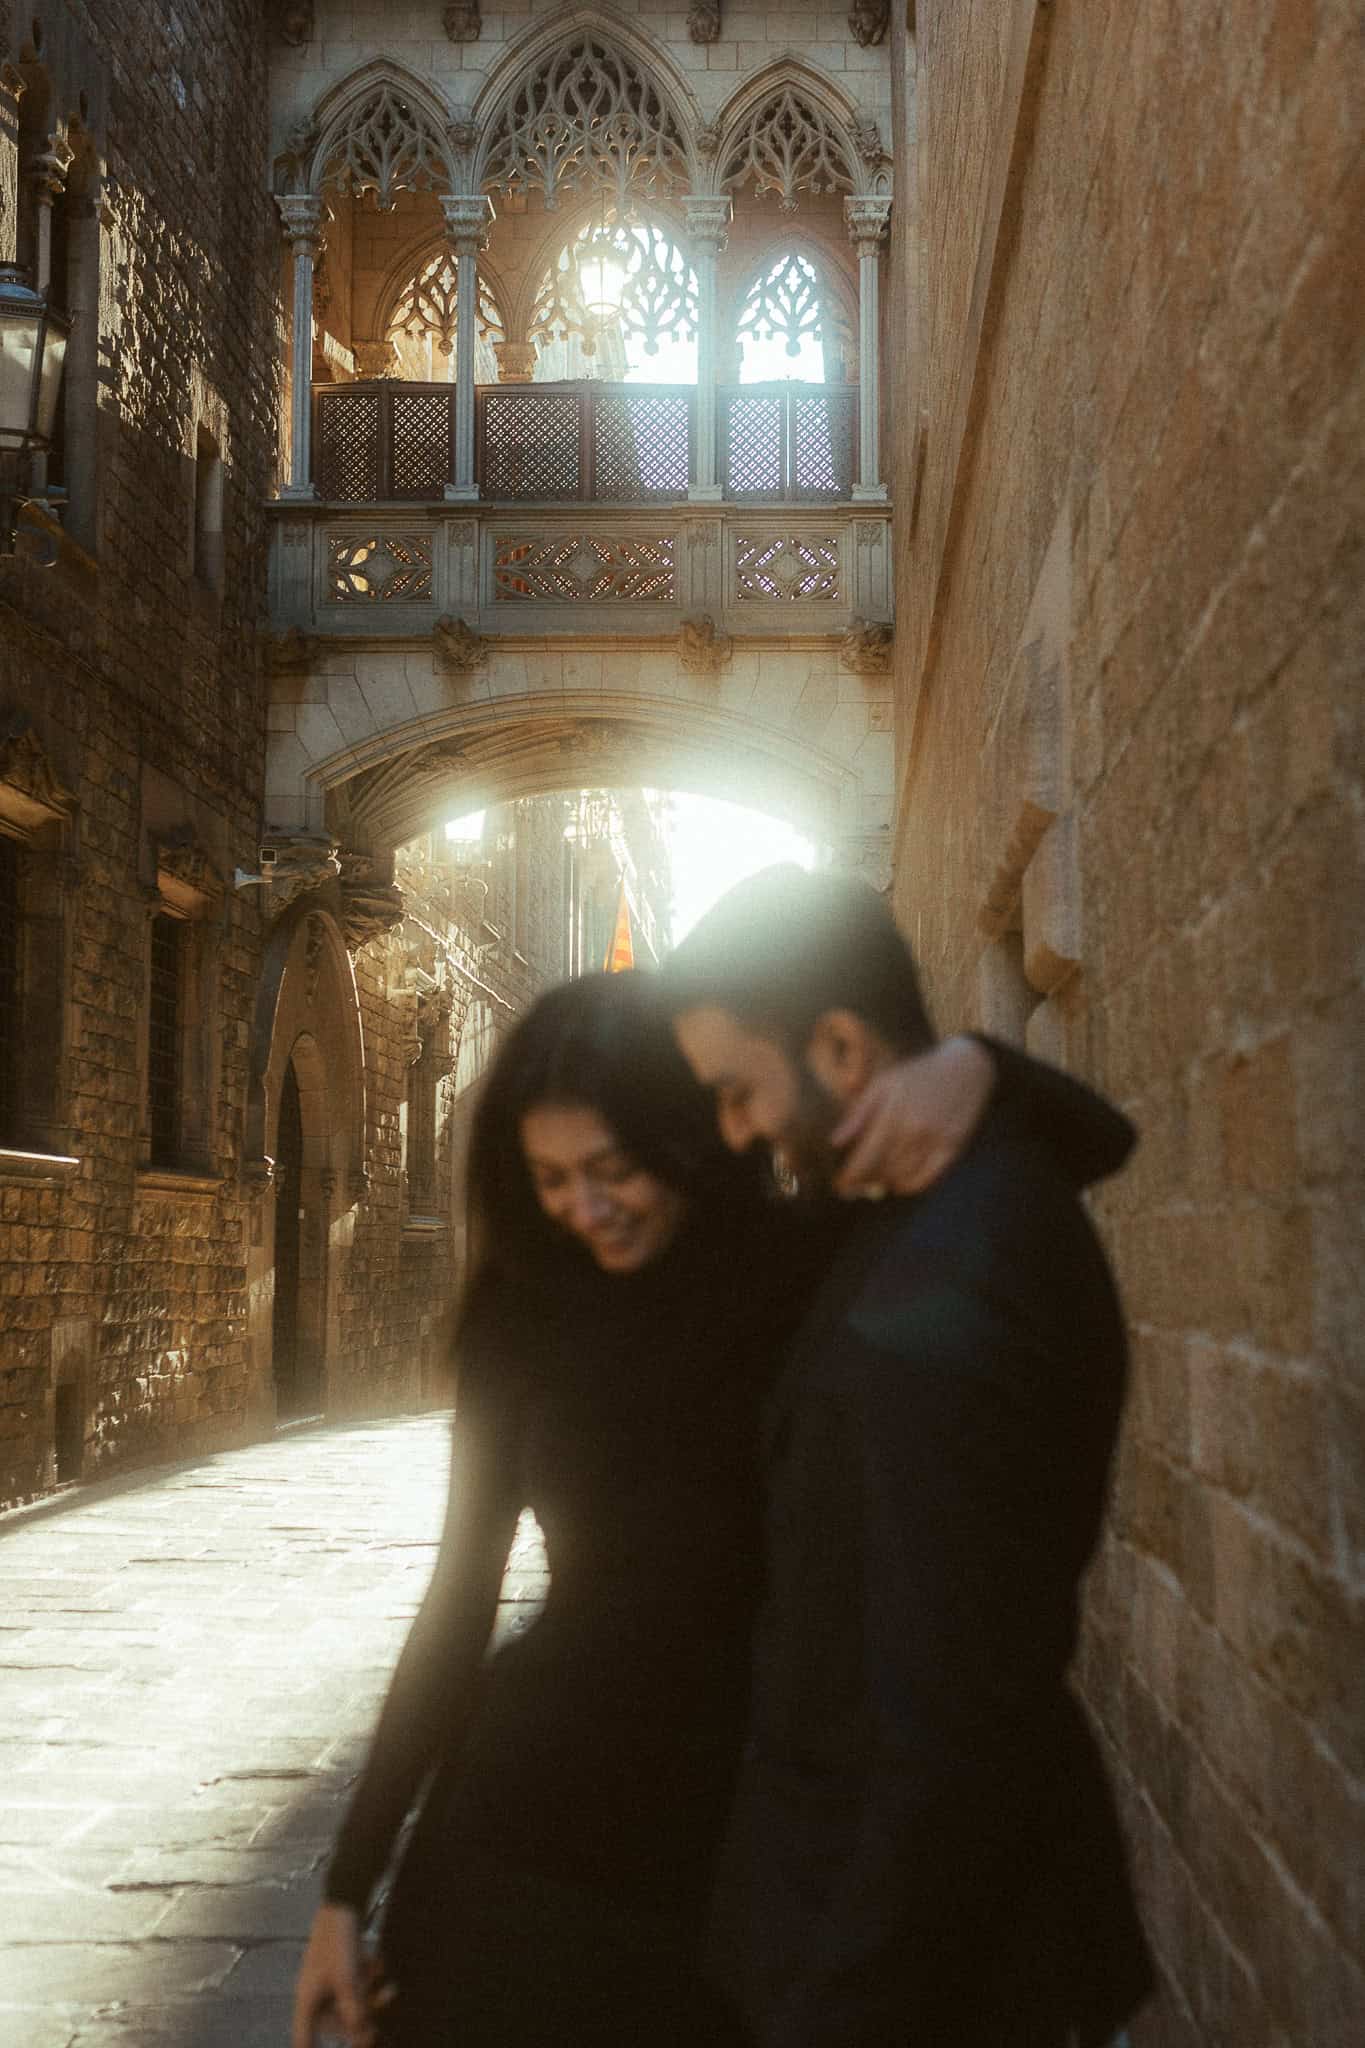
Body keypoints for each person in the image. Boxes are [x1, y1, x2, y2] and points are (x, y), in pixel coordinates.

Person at [291, 969, 1133, 2048]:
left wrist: (976, 1065)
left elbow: (1076, 1148)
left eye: (614, 1167)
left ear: (684, 1135)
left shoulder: (811, 1263)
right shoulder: (520, 1313)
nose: (584, 1207)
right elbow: (459, 1598)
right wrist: (347, 1886)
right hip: (527, 1845)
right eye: (548, 1177)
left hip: (745, 1848)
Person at [663, 865, 1154, 2048]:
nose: (735, 1132)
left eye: (739, 1090)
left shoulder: (957, 1271)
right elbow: (1095, 1134)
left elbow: (943, 1723)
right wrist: (984, 1072)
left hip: (920, 1974)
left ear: (838, 1045)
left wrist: (835, 2011)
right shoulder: (927, 1200)